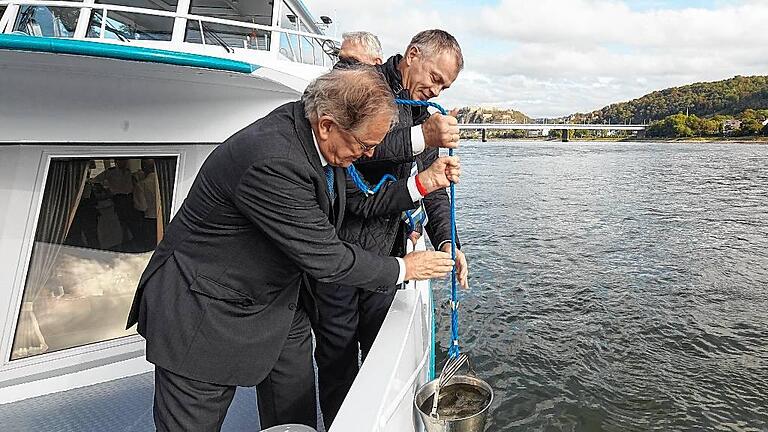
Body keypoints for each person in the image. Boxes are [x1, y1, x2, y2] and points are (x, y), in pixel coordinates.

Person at [125, 65, 462, 432]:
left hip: (277, 304)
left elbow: (361, 202)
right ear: (328, 125)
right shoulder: (274, 158)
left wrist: (423, 183)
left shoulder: (321, 142)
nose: (368, 156)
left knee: (296, 407)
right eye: (364, 146)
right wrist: (405, 268)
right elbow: (327, 258)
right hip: (202, 311)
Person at [310, 29, 468, 428]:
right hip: (340, 251)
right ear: (412, 55)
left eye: (444, 86)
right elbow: (357, 151)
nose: (435, 90)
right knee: (336, 358)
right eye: (434, 77)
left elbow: (433, 189)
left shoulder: (421, 112)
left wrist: (450, 242)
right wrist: (421, 137)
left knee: (381, 352)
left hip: (385, 254)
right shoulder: (363, 85)